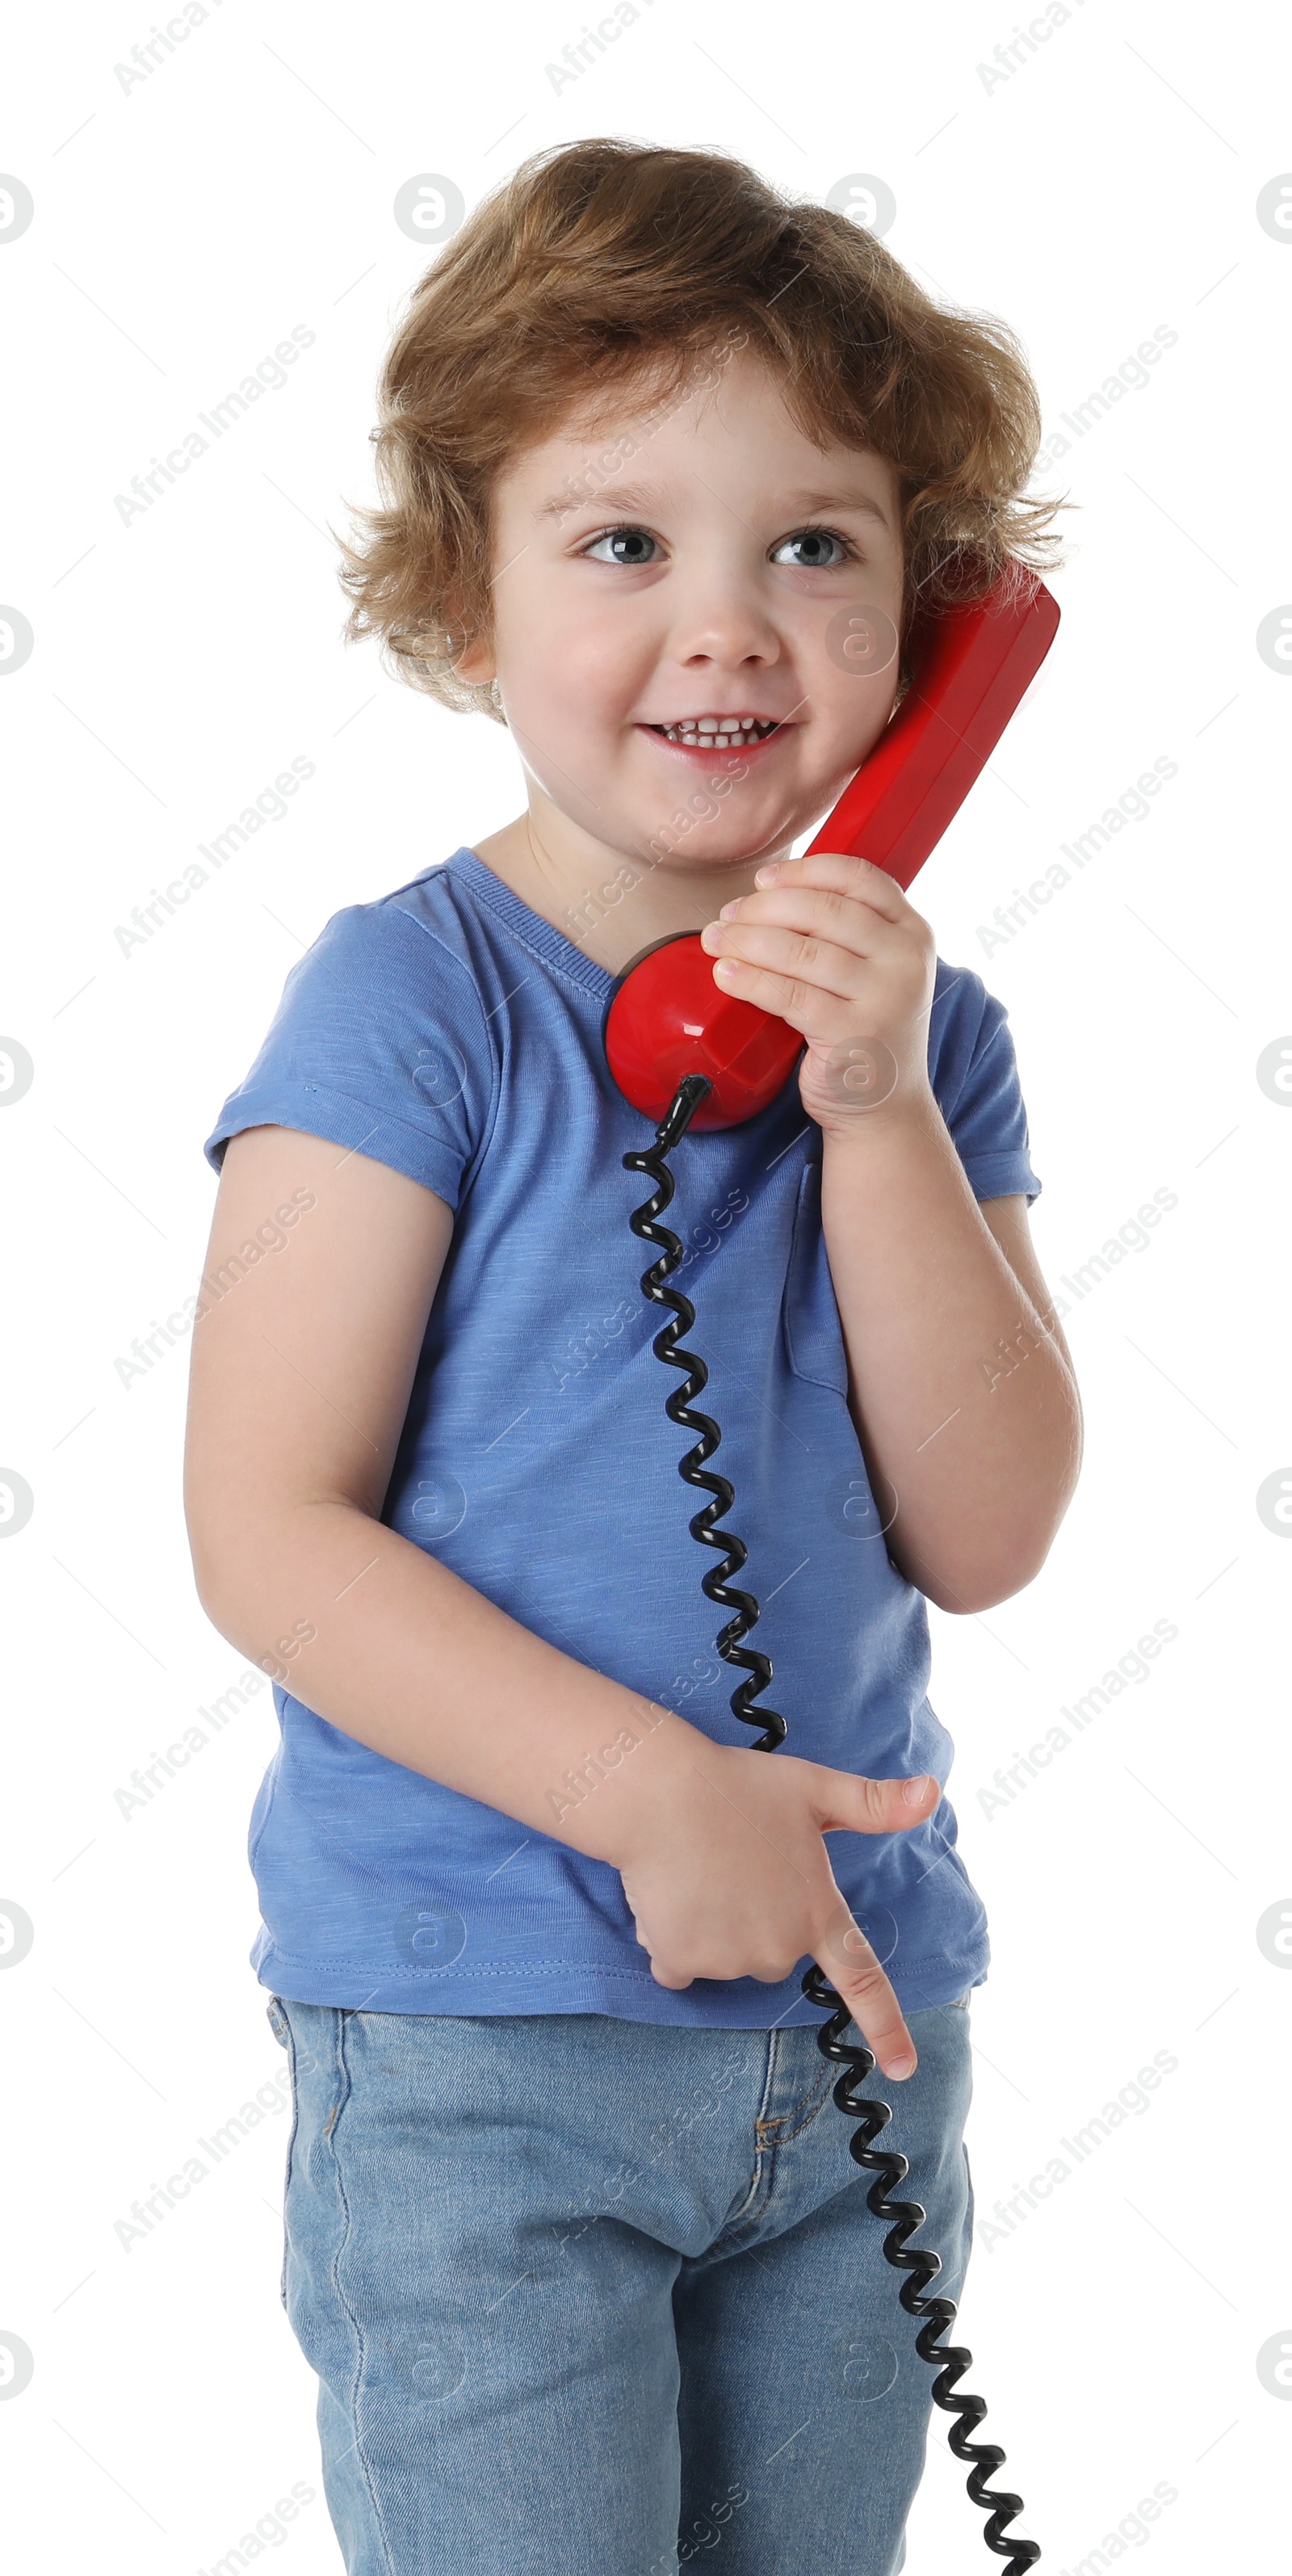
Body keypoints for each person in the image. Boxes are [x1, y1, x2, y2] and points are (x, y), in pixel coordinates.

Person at [183, 137, 1080, 2576]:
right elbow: (265, 1528)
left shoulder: (934, 1040)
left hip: (857, 2053)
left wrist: (875, 1110)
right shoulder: (409, 1007)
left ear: (938, 628)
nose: (731, 626)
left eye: (818, 546)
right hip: (483, 2068)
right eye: (622, 544)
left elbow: (985, 1532)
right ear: (463, 599)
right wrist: (639, 1786)